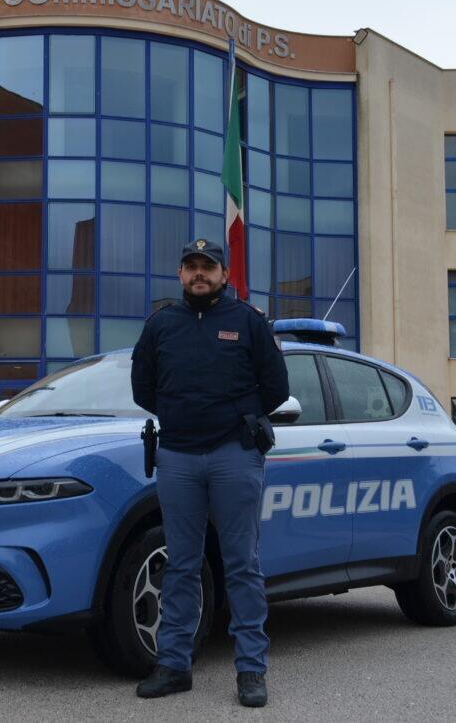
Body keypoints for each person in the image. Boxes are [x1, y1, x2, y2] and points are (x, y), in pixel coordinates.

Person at [130, 239, 289, 708]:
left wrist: (233, 417)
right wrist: (183, 415)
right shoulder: (161, 325)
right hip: (177, 455)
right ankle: (174, 665)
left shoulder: (247, 322)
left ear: (223, 274)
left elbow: (276, 387)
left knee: (242, 563)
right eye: (191, 266)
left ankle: (251, 670)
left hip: (233, 455)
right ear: (181, 274)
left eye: (208, 266)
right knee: (181, 564)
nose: (200, 274)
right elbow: (143, 388)